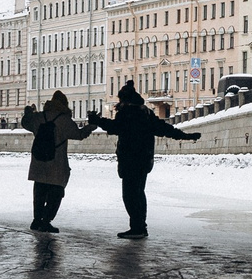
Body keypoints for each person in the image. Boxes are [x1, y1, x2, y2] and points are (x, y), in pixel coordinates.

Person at [89, 82, 200, 239]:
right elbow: (163, 128)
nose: (119, 104)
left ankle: (137, 227)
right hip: (144, 159)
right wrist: (185, 135)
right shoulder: (146, 113)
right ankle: (140, 226)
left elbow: (116, 127)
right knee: (139, 193)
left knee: (130, 195)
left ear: (125, 100)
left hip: (130, 160)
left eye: (120, 100)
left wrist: (97, 121)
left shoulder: (128, 112)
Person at [19, 90, 93, 232]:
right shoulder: (64, 120)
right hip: (56, 163)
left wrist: (28, 112)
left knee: (39, 192)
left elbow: (25, 123)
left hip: (39, 161)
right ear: (64, 104)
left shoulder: (39, 117)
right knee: (56, 193)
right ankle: (46, 221)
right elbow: (79, 134)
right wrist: (91, 126)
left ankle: (36, 220)